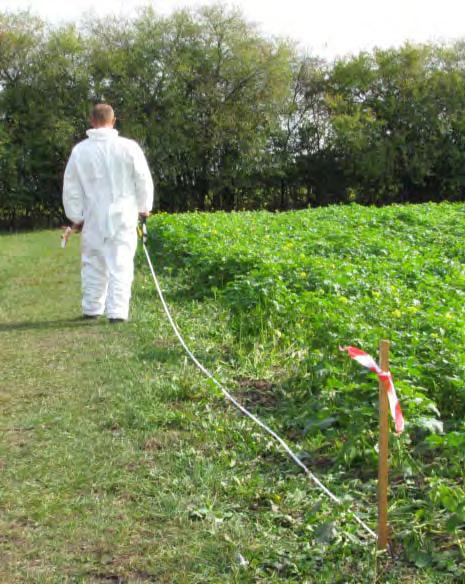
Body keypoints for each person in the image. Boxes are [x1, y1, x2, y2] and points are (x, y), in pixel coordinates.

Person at [62, 103, 154, 322]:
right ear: (113, 121)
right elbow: (142, 179)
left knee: (93, 261)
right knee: (121, 262)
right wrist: (144, 208)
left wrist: (77, 217)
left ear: (92, 121)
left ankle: (92, 308)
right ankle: (117, 312)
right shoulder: (129, 147)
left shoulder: (80, 151)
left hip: (93, 215)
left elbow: (71, 186)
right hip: (123, 214)